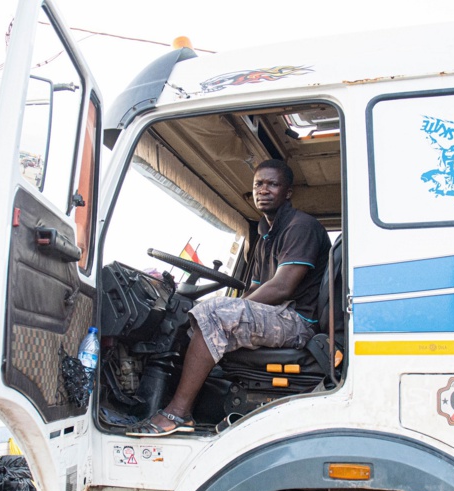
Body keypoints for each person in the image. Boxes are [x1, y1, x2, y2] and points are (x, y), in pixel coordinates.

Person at [127, 159, 331, 437]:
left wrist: (225, 309)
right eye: (259, 184)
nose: (264, 190)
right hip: (277, 315)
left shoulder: (299, 226)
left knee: (213, 314)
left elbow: (282, 287)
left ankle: (178, 414)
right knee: (202, 315)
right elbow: (254, 289)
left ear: (288, 192)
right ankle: (181, 403)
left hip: (297, 320)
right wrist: (221, 309)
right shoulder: (265, 237)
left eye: (273, 184)